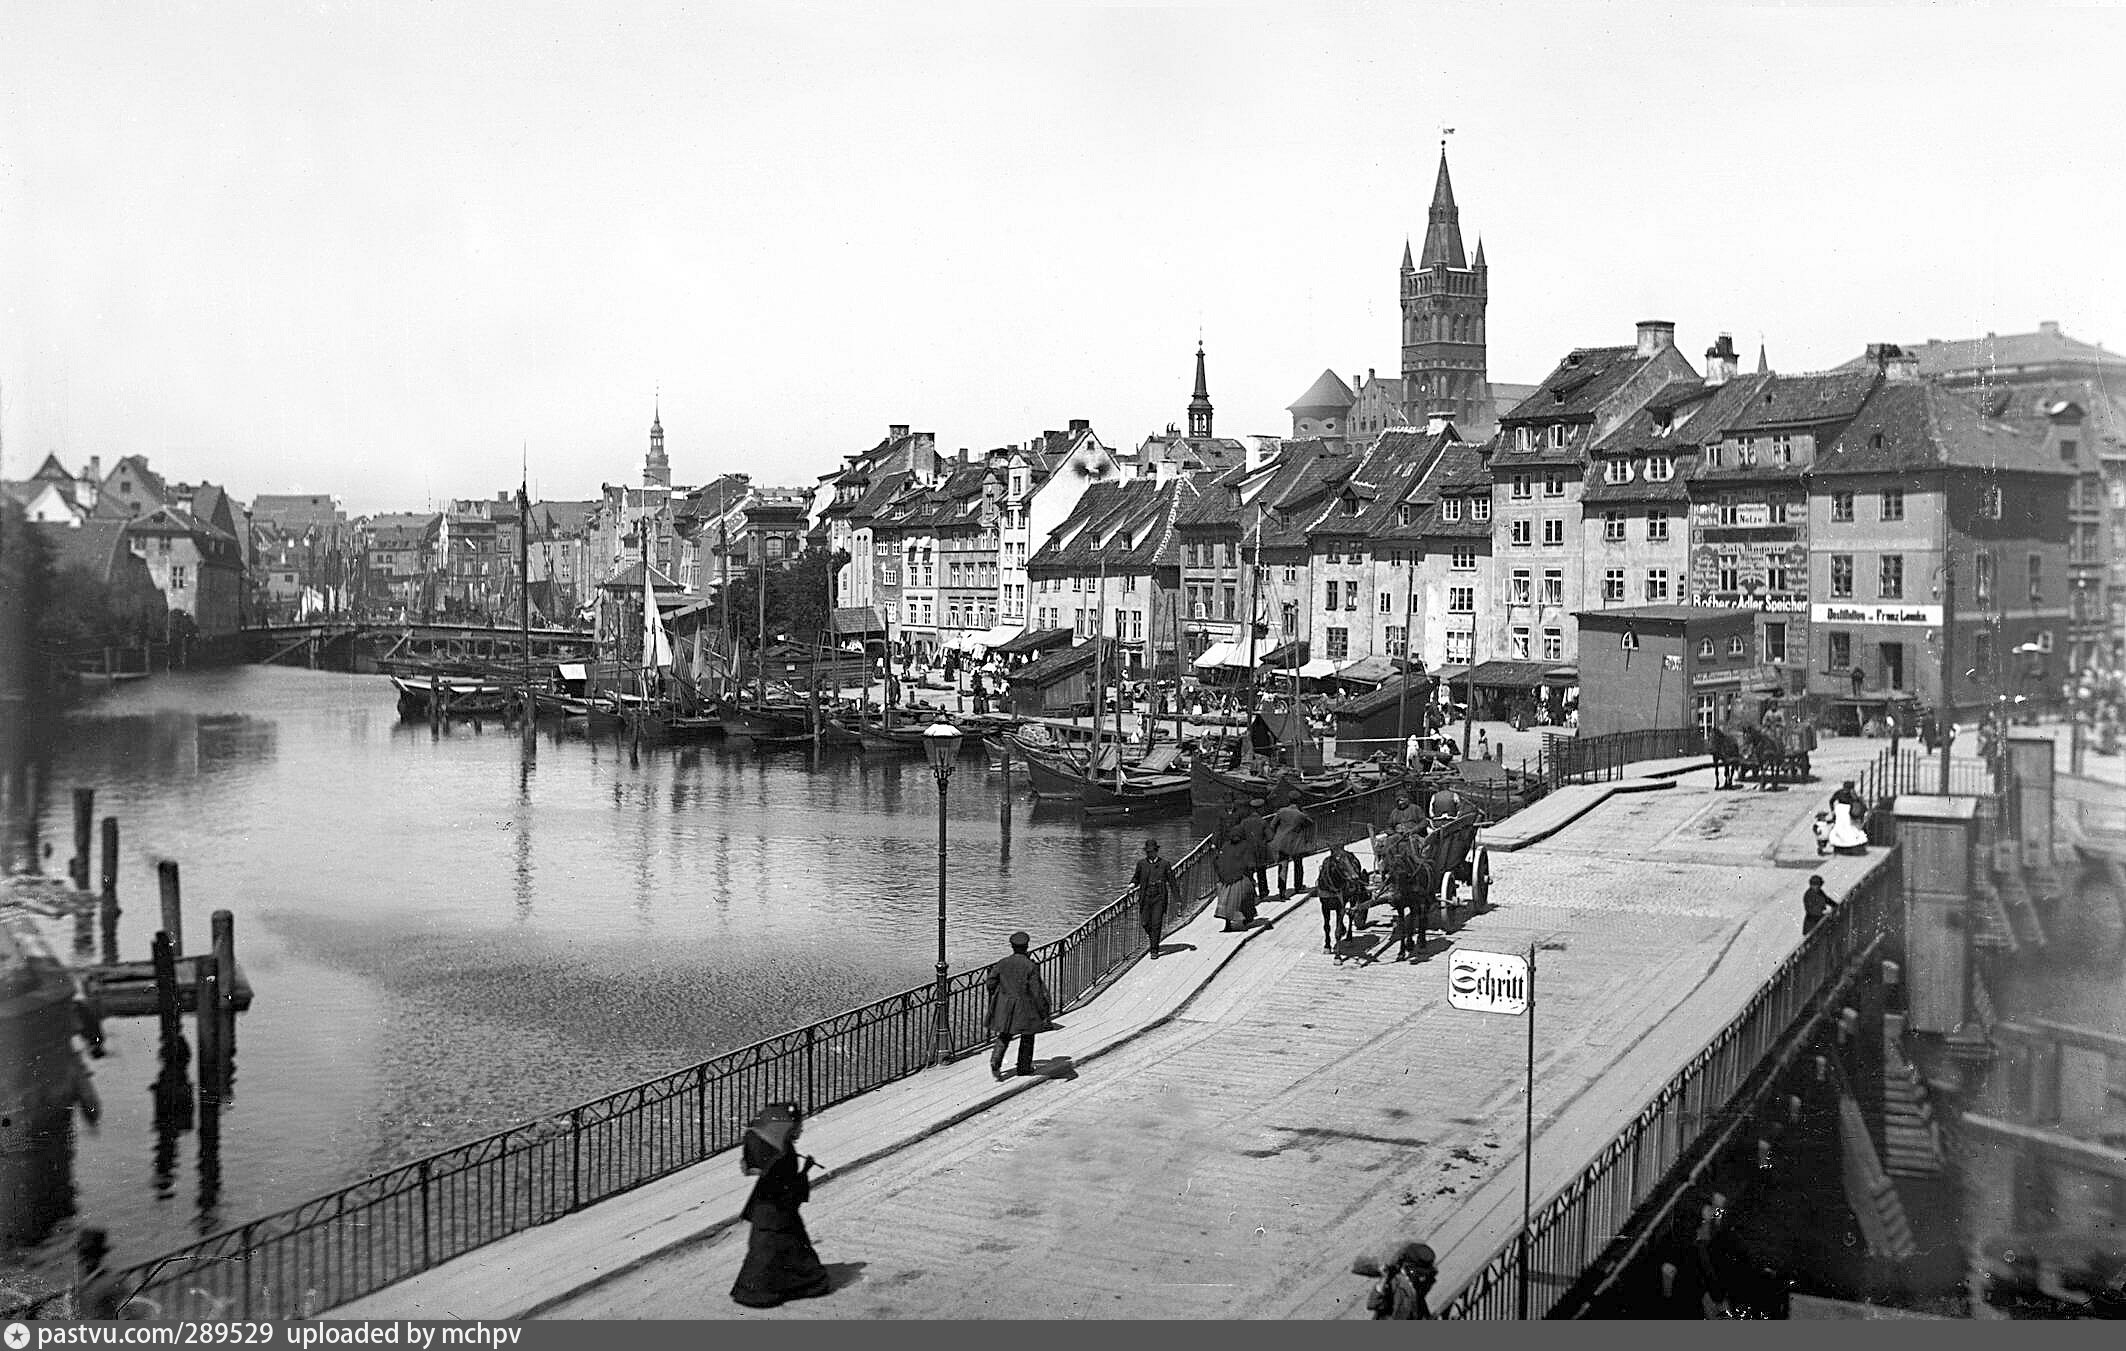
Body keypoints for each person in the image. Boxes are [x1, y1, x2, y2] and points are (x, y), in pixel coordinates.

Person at [729, 1103, 833, 1308]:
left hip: (766, 1211)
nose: (801, 1129)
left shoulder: (778, 1151)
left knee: (766, 1251)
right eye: (799, 1126)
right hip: (778, 1212)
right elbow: (788, 1187)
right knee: (785, 1249)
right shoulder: (785, 1154)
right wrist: (804, 1172)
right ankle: (795, 1286)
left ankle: (754, 1290)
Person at [985, 931, 1052, 1079]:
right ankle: (1023, 1067)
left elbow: (990, 983)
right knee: (1028, 1036)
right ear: (1027, 947)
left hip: (1005, 1005)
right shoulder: (1030, 966)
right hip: (1025, 1006)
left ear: (1012, 946)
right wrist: (1043, 1012)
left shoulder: (1003, 963)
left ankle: (995, 1060)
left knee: (1005, 1034)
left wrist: (1001, 994)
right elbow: (1036, 992)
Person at [1365, 1241, 1439, 1320]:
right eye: (1421, 1272)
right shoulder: (1393, 1282)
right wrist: (1384, 1279)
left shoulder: (1417, 1281)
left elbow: (1419, 1301)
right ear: (1411, 1267)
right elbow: (1372, 1303)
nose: (1424, 1276)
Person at [1315, 839, 1365, 952]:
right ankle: (1327, 942)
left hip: (1342, 892)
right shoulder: (1328, 864)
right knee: (1326, 920)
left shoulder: (1347, 859)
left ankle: (1342, 943)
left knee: (1340, 914)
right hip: (1330, 888)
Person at [1132, 839, 1176, 958]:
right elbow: (1136, 878)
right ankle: (1153, 938)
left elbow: (1172, 882)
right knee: (1145, 922)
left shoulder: (1164, 864)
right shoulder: (1141, 864)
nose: (1149, 854)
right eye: (1147, 852)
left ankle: (1154, 950)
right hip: (1146, 897)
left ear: (1156, 852)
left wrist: (1178, 900)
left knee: (1156, 923)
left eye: (1151, 852)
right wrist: (1131, 884)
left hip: (1159, 897)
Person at [1212, 827, 1255, 931]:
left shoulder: (1226, 846)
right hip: (1240, 877)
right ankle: (1246, 919)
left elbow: (1218, 860)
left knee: (1226, 901)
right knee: (1246, 898)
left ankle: (1227, 924)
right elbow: (1249, 862)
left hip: (1225, 880)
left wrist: (1221, 874)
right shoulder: (1246, 845)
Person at [1269, 798, 1314, 895]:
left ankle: (1282, 890)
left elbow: (1272, 825)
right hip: (1296, 844)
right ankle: (1298, 887)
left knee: (1282, 866)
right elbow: (1310, 823)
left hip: (1282, 843)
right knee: (1298, 865)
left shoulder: (1281, 811)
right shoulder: (1301, 815)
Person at [1239, 799, 1274, 903]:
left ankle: (1252, 894)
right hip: (1260, 851)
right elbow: (1270, 837)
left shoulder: (1244, 822)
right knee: (1261, 873)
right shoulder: (1262, 822)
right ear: (1261, 809)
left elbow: (1239, 835)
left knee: (1249, 874)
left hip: (1248, 851)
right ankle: (1263, 893)